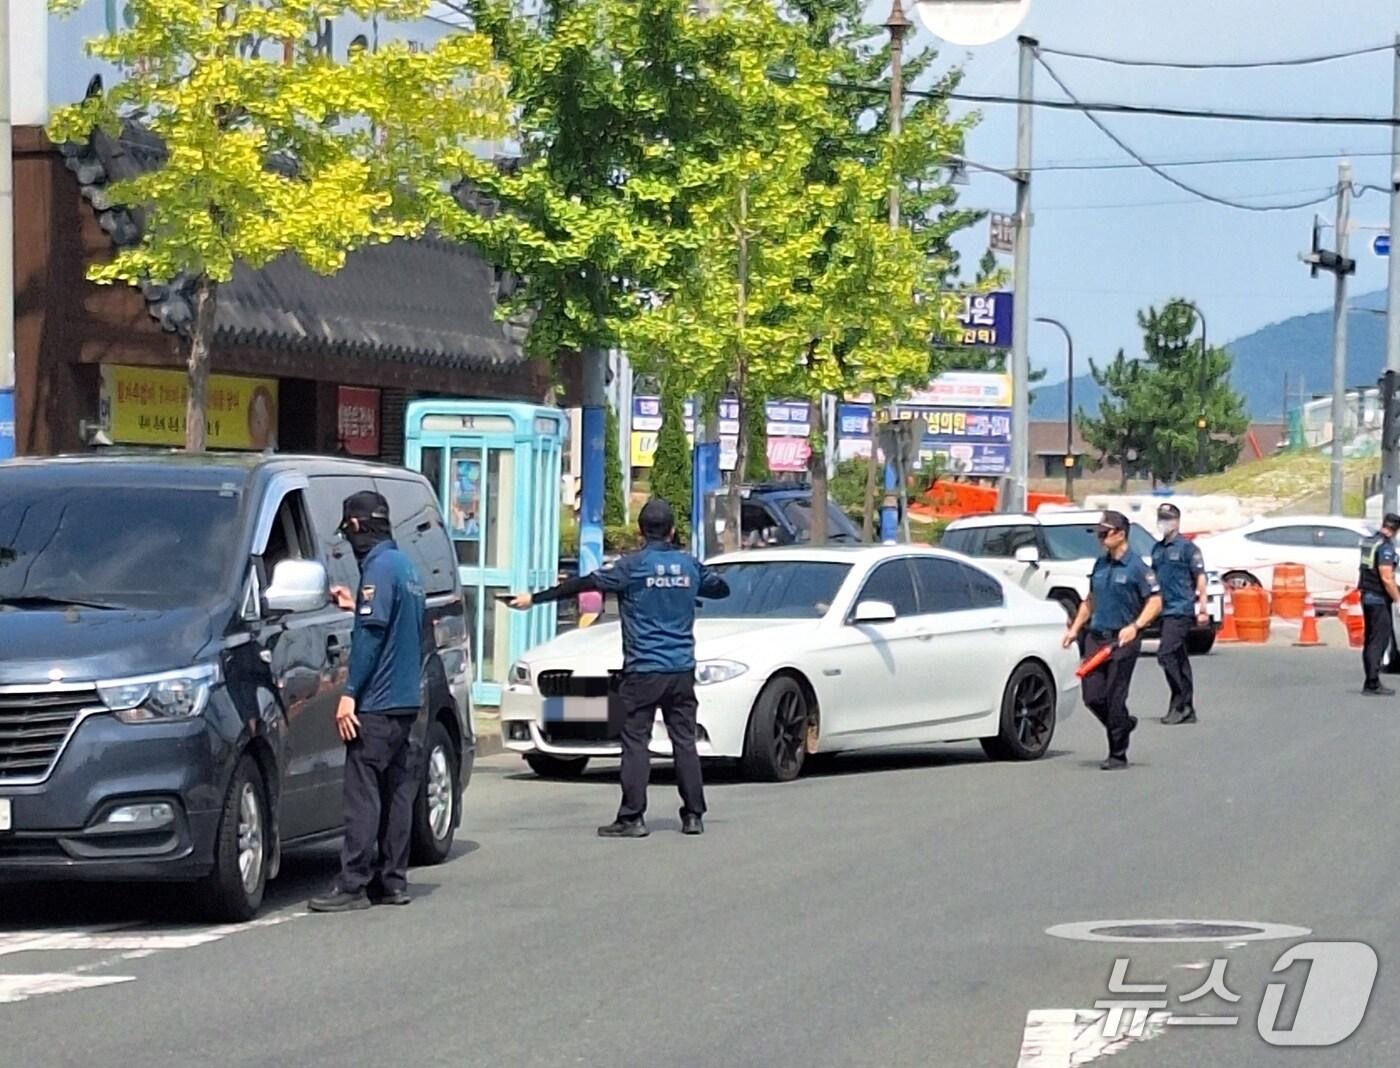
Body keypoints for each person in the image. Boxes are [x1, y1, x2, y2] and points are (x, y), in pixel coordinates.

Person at [509, 499, 729, 837]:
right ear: (672, 531)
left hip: (643, 669)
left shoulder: (631, 567)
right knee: (684, 741)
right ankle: (693, 815)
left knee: (635, 741)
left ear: (641, 532)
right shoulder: (689, 566)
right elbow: (720, 588)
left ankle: (632, 817)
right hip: (681, 668)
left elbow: (583, 584)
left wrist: (534, 599)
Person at [310, 491, 427, 913]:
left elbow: (372, 636)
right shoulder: (406, 566)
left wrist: (349, 695)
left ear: (356, 526)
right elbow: (393, 623)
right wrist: (353, 604)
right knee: (397, 793)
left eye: (349, 531)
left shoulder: (377, 568)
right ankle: (392, 881)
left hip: (376, 702)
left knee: (363, 794)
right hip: (406, 701)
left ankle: (353, 883)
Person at [1062, 510, 1163, 771]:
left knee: (1115, 697)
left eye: (1104, 534)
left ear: (1120, 534)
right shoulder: (1100, 565)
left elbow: (1155, 601)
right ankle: (1123, 724)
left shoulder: (1137, 568)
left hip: (1122, 639)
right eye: (1098, 534)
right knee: (1093, 696)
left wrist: (1136, 626)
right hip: (1096, 638)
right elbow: (1090, 600)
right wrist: (1075, 628)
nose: (1100, 539)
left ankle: (1117, 754)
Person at [1150, 502, 1208, 724]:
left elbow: (1199, 577)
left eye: (1168, 518)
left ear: (1177, 521)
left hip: (1181, 608)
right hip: (1163, 610)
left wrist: (1202, 607)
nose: (1164, 523)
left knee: (1165, 654)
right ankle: (1187, 707)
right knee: (1179, 658)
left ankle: (1180, 702)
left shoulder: (1187, 548)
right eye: (1161, 518)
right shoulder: (1157, 549)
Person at [1358, 512, 1400, 697]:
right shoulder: (1385, 546)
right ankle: (1372, 682)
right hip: (1378, 598)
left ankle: (1371, 679)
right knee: (1379, 641)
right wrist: (1398, 599)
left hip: (1367, 595)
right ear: (1395, 529)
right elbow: (1386, 576)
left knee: (1370, 640)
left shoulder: (1370, 541)